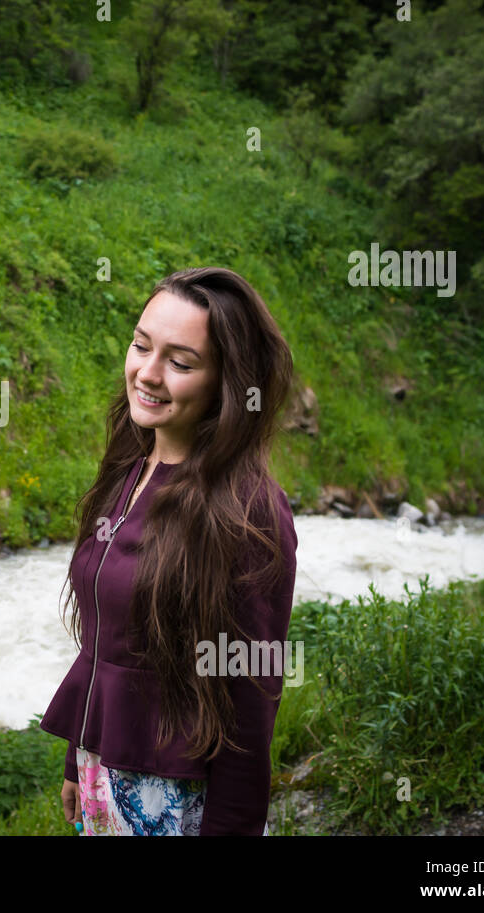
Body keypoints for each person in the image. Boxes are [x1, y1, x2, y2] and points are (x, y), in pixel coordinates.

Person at [39, 266, 299, 835]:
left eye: (180, 363)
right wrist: (78, 757)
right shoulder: (130, 468)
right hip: (100, 772)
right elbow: (105, 638)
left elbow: (250, 701)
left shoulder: (247, 510)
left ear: (226, 381)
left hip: (172, 799)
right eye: (140, 346)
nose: (147, 374)